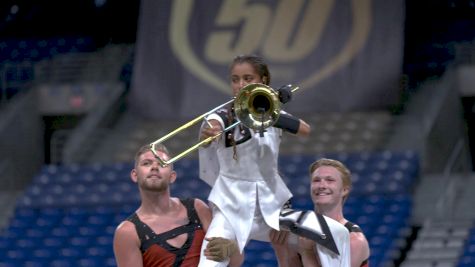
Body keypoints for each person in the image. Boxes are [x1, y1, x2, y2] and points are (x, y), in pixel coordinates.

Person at [197, 54, 311, 266]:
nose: (240, 85)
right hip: (230, 207)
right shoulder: (221, 115)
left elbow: (305, 129)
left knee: (317, 240)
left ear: (263, 80)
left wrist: (270, 105)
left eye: (248, 79)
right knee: (210, 259)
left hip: (274, 206)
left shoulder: (274, 111)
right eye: (235, 79)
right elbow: (210, 130)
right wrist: (208, 134)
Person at [113, 144, 243, 267]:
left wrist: (231, 248)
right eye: (146, 163)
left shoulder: (197, 207)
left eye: (162, 164)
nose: (154, 167)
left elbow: (236, 262)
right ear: (135, 175)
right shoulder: (127, 232)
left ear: (172, 176)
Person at [270, 158, 370, 267]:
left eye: (330, 180)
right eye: (316, 180)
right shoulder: (299, 231)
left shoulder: (353, 240)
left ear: (344, 190)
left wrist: (307, 252)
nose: (322, 186)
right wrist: (281, 249)